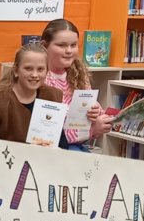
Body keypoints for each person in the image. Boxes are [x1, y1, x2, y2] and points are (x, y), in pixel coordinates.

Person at [0, 43, 70, 149]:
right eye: (28, 68)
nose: (34, 75)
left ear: (46, 72)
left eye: (40, 69)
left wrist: (55, 149)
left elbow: (62, 144)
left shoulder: (51, 96)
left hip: (43, 157)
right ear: (16, 70)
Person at [41, 19, 112, 151]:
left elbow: (93, 111)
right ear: (45, 46)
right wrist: (91, 131)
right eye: (61, 45)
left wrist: (96, 114)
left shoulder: (79, 75)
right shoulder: (41, 79)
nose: (69, 51)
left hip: (78, 144)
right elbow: (48, 132)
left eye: (73, 45)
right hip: (52, 147)